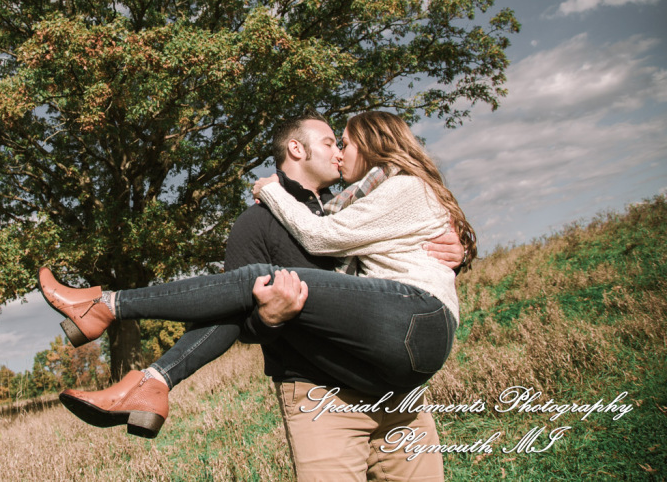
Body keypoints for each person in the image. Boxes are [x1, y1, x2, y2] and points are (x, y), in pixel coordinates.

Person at [40, 111, 470, 478]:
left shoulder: (353, 208)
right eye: (330, 141)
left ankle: (109, 312)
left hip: (394, 388)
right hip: (322, 397)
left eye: (344, 143)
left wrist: (463, 247)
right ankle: (140, 365)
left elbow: (408, 245)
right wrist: (269, 318)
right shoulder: (257, 224)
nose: (339, 152)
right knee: (253, 282)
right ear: (297, 150)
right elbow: (233, 321)